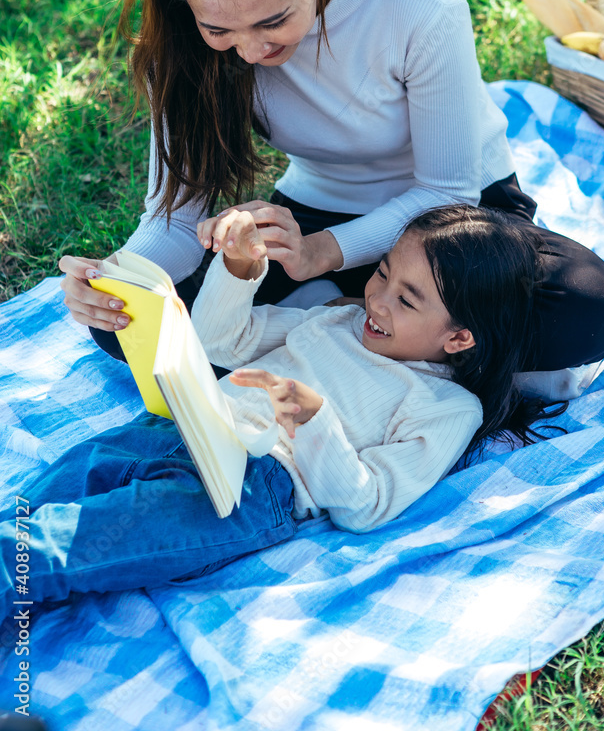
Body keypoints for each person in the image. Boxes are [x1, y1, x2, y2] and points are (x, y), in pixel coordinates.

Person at [57, 0, 604, 372]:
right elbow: (176, 219)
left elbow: (445, 191)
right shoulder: (184, 43)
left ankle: (334, 323)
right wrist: (120, 277)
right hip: (320, 206)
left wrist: (320, 254)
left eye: (272, 21)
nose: (253, 52)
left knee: (584, 308)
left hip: (455, 218)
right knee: (128, 327)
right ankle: (387, 333)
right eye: (220, 30)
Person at [1, 204, 566, 619]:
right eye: (383, 273)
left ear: (460, 338)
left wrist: (311, 419)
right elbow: (220, 342)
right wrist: (240, 272)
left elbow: (367, 507)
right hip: (181, 424)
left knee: (50, 548)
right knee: (35, 497)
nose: (377, 299)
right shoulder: (335, 320)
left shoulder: (447, 407)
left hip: (247, 487)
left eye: (406, 299)